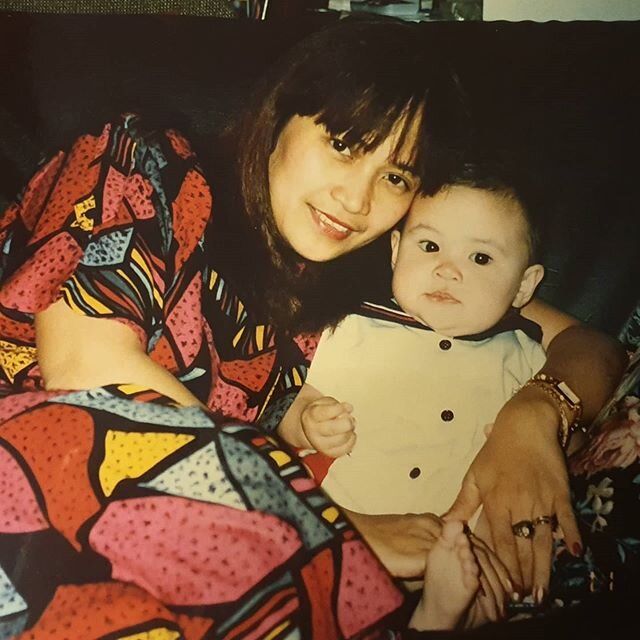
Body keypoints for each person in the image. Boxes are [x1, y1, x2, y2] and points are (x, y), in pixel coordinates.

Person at [0, 18, 625, 639]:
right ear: (279, 121)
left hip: (174, 548)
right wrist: (333, 524)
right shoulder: (146, 162)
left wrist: (534, 419)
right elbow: (86, 370)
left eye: (396, 177)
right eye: (346, 145)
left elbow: (589, 347)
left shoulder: (367, 270)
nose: (357, 201)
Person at [279, 165, 548, 625]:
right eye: (429, 246)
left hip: (462, 552)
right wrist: (307, 418)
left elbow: (549, 456)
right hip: (348, 532)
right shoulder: (349, 328)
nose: (446, 268)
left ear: (524, 284)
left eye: (480, 258)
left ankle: (436, 618)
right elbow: (282, 401)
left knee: (483, 589)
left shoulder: (527, 361)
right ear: (397, 250)